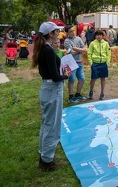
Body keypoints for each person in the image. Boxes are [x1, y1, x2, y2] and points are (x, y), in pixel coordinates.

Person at [31, 21, 71, 171]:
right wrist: (65, 76)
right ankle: (47, 161)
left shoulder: (45, 48)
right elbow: (55, 76)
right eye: (56, 32)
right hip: (52, 89)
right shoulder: (47, 50)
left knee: (47, 124)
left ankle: (44, 156)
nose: (58, 34)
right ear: (50, 34)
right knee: (52, 126)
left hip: (48, 89)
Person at [64, 26, 87, 104]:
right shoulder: (66, 41)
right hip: (71, 63)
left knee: (82, 79)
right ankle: (71, 97)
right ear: (67, 33)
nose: (73, 32)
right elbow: (71, 52)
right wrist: (80, 50)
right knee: (72, 80)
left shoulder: (78, 39)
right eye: (70, 31)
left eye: (73, 30)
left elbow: (84, 50)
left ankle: (77, 94)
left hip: (79, 62)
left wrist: (76, 48)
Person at [87, 30, 111, 100]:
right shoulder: (92, 43)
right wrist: (91, 63)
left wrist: (107, 62)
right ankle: (91, 91)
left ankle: (102, 93)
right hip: (95, 63)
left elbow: (108, 53)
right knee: (93, 79)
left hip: (103, 63)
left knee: (102, 79)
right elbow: (89, 53)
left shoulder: (106, 43)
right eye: (97, 35)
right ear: (95, 36)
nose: (99, 36)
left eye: (100, 35)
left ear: (102, 36)